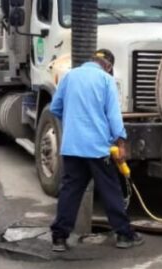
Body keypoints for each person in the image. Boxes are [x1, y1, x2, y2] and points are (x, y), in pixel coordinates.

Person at [49, 49, 144, 253]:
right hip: (98, 148)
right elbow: (114, 116)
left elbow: (55, 108)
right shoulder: (105, 80)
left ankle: (59, 237)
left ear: (92, 60)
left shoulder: (69, 76)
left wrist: (74, 119)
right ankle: (124, 235)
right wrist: (121, 142)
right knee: (111, 191)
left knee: (70, 191)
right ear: (108, 66)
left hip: (72, 146)